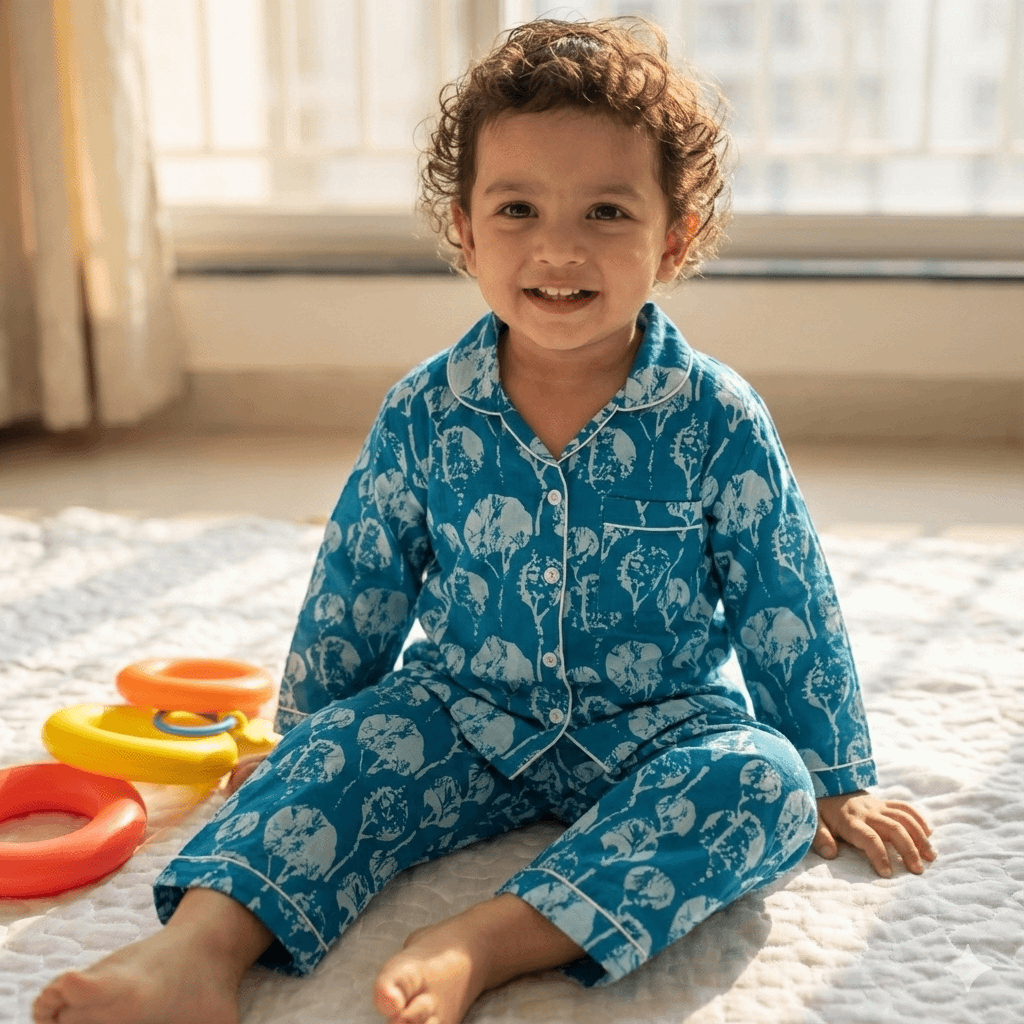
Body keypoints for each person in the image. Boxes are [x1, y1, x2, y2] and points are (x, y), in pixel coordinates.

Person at [33, 17, 935, 1024]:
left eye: (606, 211)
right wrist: (306, 738)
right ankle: (193, 953)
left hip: (662, 718)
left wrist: (834, 772)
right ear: (465, 232)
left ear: (672, 239)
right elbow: (360, 580)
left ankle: (490, 938)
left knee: (766, 783)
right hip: (462, 711)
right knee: (331, 758)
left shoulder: (716, 417)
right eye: (517, 209)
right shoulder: (425, 410)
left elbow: (785, 594)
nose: (559, 246)